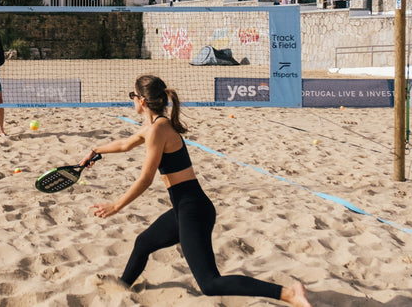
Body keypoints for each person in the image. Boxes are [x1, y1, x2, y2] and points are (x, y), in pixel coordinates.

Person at [80, 75, 311, 306]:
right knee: (143, 243)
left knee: (209, 283)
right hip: (184, 208)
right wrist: (95, 150)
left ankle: (289, 293)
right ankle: (122, 286)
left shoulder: (157, 130)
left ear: (141, 101)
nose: (131, 100)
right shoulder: (153, 126)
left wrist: (116, 206)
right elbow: (124, 144)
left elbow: (146, 179)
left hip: (193, 210)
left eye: (132, 96)